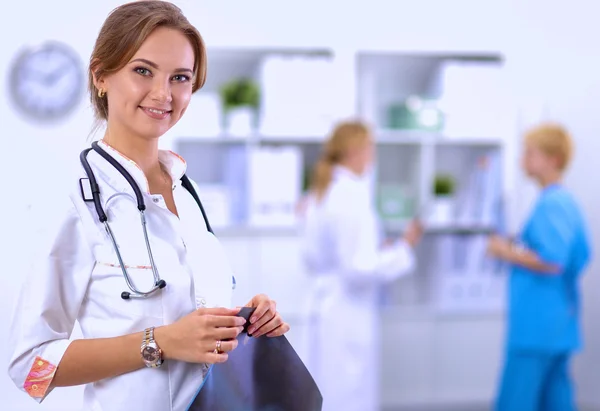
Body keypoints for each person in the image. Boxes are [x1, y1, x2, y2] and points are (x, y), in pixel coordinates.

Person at [7, 2, 290, 410]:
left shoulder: (187, 193)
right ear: (101, 76)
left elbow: (194, 321)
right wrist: (158, 343)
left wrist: (248, 320)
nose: (163, 94)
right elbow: (28, 367)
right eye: (143, 71)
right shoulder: (74, 202)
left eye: (180, 78)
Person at [300, 120, 423, 411]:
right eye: (371, 149)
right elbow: (359, 269)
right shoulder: (351, 195)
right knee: (348, 394)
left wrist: (378, 252)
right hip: (347, 311)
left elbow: (317, 256)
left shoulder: (321, 192)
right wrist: (404, 248)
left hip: (326, 305)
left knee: (327, 391)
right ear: (357, 151)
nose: (373, 157)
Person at [487, 123, 591, 411]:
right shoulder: (564, 202)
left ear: (553, 159)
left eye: (530, 153)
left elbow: (552, 260)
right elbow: (577, 254)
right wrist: (518, 243)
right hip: (558, 320)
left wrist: (503, 251)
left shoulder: (552, 204)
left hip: (536, 325)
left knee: (516, 401)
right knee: (556, 399)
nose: (523, 160)